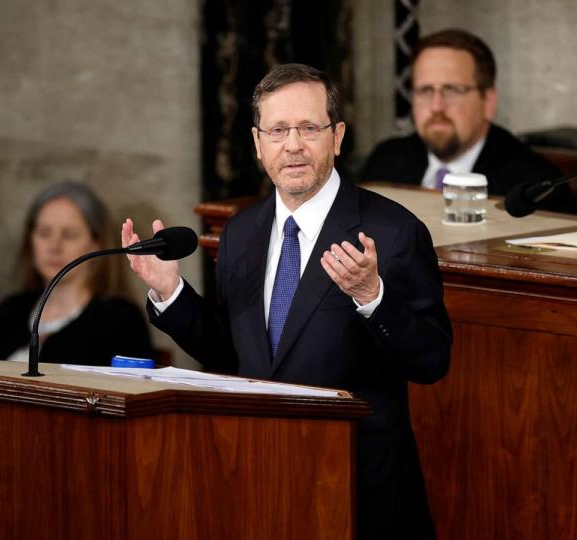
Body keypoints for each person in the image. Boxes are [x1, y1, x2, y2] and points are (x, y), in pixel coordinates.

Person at [122, 64, 452, 540]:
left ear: (337, 137)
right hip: (260, 479)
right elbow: (236, 357)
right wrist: (171, 294)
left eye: (309, 128)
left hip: (358, 490)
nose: (293, 144)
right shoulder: (240, 233)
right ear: (258, 145)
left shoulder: (392, 232)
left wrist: (371, 297)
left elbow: (431, 359)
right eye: (277, 130)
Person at [362, 28, 575, 213]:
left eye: (453, 90)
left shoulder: (531, 185)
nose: (437, 106)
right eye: (425, 90)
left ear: (488, 101)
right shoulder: (385, 163)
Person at [0, 182, 153, 365]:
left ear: (97, 243)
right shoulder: (10, 311)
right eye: (44, 233)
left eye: (69, 235)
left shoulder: (121, 321)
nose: (54, 246)